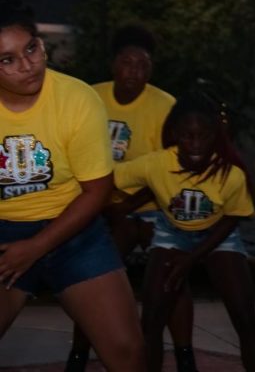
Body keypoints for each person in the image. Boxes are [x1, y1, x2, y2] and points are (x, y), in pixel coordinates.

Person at [0, 0, 145, 371]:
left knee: (128, 352)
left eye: (31, 48)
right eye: (7, 60)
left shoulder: (77, 99)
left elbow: (98, 191)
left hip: (74, 229)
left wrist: (34, 248)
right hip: (4, 235)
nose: (27, 65)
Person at [66, 25, 195, 372]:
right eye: (127, 62)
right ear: (114, 65)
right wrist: (106, 206)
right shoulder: (90, 97)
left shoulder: (165, 105)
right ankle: (78, 353)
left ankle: (185, 355)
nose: (135, 71)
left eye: (143, 65)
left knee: (172, 275)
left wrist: (127, 207)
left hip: (155, 207)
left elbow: (172, 169)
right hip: (103, 206)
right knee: (92, 278)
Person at [114, 90, 255, 371]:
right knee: (151, 320)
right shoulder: (157, 163)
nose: (195, 144)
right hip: (172, 232)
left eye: (204, 136)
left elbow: (232, 219)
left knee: (245, 318)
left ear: (216, 134)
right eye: (187, 136)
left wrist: (192, 258)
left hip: (218, 235)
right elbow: (109, 177)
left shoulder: (230, 173)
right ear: (174, 133)